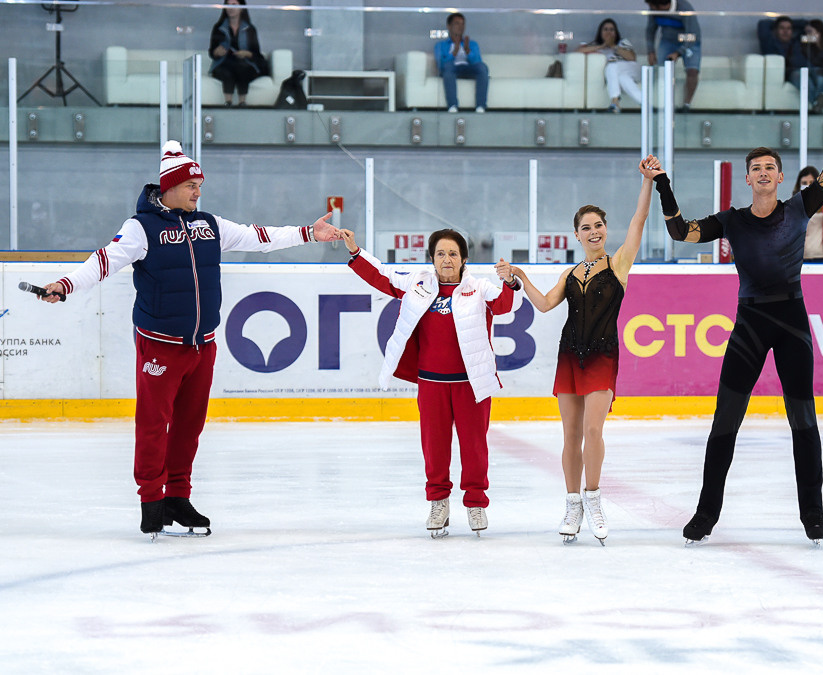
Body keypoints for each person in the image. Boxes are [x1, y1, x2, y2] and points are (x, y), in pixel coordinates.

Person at [39, 141, 342, 537]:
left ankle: (177, 498)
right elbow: (103, 261)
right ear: (170, 187)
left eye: (200, 185)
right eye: (192, 185)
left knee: (188, 426)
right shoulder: (140, 227)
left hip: (203, 345)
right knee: (153, 424)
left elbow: (259, 236)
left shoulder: (209, 225)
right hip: (160, 344)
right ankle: (151, 500)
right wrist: (65, 284)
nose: (199, 191)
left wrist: (308, 233)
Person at [654, 85, 823, 545]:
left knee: (804, 420)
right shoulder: (732, 220)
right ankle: (706, 514)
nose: (762, 173)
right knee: (725, 421)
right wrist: (662, 182)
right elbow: (681, 231)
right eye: (755, 168)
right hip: (750, 326)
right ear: (748, 179)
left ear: (781, 178)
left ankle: (813, 515)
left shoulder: (803, 206)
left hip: (792, 323)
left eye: (769, 168)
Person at [506, 155, 660, 544]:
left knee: (594, 429)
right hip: (568, 355)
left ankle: (593, 497)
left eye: (598, 226)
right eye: (585, 228)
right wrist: (521, 277)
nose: (593, 232)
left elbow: (639, 222)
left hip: (603, 355)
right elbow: (543, 305)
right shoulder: (569, 274)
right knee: (570, 435)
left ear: (606, 230)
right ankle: (572, 502)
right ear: (576, 235)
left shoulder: (619, 263)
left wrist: (647, 183)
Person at [340, 228, 519, 537]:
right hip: (431, 383)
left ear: (464, 259)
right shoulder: (419, 283)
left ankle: (475, 503)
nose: (446, 259)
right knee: (434, 448)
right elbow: (382, 276)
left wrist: (509, 281)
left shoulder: (478, 287)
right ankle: (439, 502)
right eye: (440, 254)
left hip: (471, 384)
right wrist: (356, 251)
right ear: (432, 259)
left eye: (452, 254)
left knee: (474, 447)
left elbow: (504, 305)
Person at [758, 16, 823, 113]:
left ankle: (822, 96)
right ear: (775, 30)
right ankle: (817, 104)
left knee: (820, 71)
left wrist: (791, 22)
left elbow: (807, 23)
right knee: (802, 77)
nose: (786, 31)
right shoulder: (769, 42)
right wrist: (777, 22)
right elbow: (763, 24)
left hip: (808, 68)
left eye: (789, 28)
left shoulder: (798, 40)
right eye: (782, 28)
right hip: (789, 72)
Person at [208, 0, 269, 107]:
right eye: (228, 5)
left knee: (242, 68)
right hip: (224, 63)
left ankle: (242, 103)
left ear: (241, 8)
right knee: (227, 70)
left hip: (244, 63)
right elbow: (212, 52)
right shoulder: (218, 28)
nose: (230, 8)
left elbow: (257, 54)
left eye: (234, 5)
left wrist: (247, 54)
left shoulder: (250, 29)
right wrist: (217, 52)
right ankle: (228, 103)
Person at [644, 0, 701, 112]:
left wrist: (678, 52)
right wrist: (650, 51)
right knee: (662, 70)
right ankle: (664, 104)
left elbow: (693, 35)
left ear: (661, 5)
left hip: (689, 39)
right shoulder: (654, 10)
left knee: (692, 71)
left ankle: (686, 105)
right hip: (668, 40)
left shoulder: (685, 8)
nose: (651, 9)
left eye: (652, 6)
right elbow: (650, 30)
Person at [578, 18, 642, 113]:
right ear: (600, 32)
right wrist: (602, 46)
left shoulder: (623, 42)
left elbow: (632, 57)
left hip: (631, 68)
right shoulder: (597, 46)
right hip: (619, 74)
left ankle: (615, 102)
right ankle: (645, 103)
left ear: (616, 32)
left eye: (612, 30)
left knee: (612, 66)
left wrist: (613, 46)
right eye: (605, 29)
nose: (609, 32)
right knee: (623, 78)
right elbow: (579, 51)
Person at [434, 12, 489, 113]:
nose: (460, 27)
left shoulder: (472, 44)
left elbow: (477, 62)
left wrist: (468, 51)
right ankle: (452, 106)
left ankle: (481, 106)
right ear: (449, 26)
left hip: (468, 69)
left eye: (462, 24)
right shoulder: (441, 45)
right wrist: (454, 52)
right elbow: (441, 65)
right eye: (457, 23)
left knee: (482, 67)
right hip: (451, 70)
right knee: (448, 66)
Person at [792, 166, 823, 262]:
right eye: (804, 183)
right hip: (800, 257)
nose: (808, 186)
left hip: (822, 256)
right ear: (799, 185)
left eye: (812, 183)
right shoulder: (794, 205)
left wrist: (822, 193)